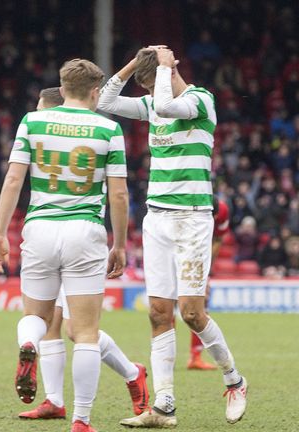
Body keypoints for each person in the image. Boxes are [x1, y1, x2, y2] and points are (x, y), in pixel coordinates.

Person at [99, 46, 247, 427]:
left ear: (169, 72)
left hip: (192, 219)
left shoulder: (201, 100)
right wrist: (135, 63)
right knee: (158, 312)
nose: (148, 92)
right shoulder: (153, 101)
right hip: (157, 219)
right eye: (145, 86)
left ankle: (234, 380)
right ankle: (163, 406)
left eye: (151, 83)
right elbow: (105, 100)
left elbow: (166, 106)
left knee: (192, 313)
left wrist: (164, 69)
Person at [0, 59, 130, 432]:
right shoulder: (109, 128)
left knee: (36, 317)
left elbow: (14, 178)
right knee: (84, 332)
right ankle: (81, 420)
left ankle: (29, 344)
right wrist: (120, 243)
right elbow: (118, 194)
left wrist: (0, 233)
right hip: (85, 232)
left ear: (62, 89)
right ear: (96, 91)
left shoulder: (31, 122)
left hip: (40, 229)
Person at [18, 88, 149, 422]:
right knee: (55, 326)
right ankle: (55, 401)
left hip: (68, 236)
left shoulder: (52, 129)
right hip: (74, 238)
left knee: (76, 330)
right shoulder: (89, 131)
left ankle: (133, 373)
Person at [188, 198, 230, 371]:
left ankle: (195, 357)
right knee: (166, 307)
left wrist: (204, 267)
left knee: (201, 306)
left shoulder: (222, 211)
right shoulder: (184, 210)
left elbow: (218, 240)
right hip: (176, 252)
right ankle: (166, 357)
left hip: (199, 258)